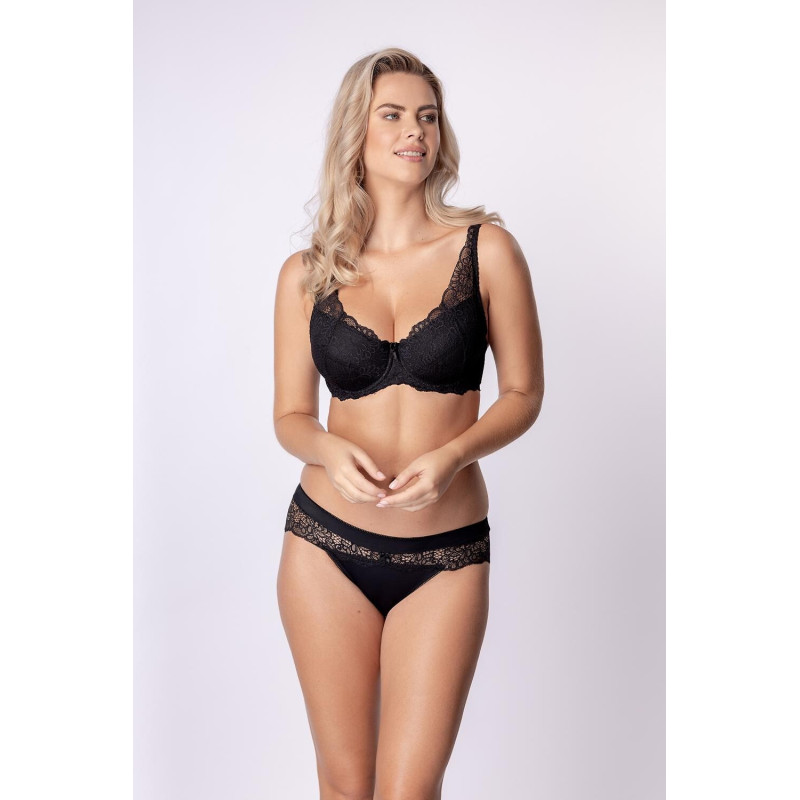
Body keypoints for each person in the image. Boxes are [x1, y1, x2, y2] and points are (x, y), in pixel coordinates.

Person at [273, 47, 544, 800]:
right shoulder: (308, 273)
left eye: (427, 116)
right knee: (343, 786)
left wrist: (454, 455)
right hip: (324, 546)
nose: (415, 131)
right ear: (356, 133)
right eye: (392, 115)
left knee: (410, 791)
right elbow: (290, 416)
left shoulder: (487, 250)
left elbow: (524, 393)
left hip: (445, 557)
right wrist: (328, 449)